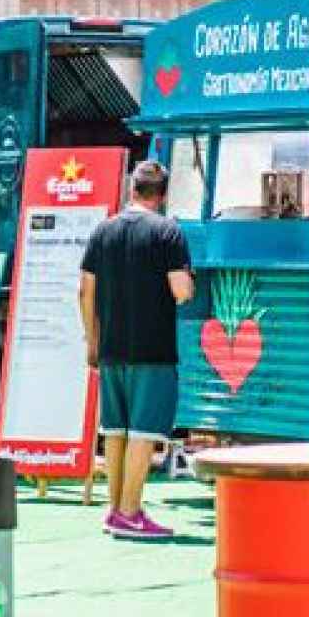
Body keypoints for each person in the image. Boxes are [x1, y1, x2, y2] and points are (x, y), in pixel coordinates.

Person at [80, 161, 194, 540]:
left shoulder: (103, 230)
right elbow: (181, 291)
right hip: (154, 349)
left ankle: (115, 509)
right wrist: (189, 281)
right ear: (161, 196)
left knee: (114, 430)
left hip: (110, 346)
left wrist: (91, 341)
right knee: (144, 432)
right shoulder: (168, 232)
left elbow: (85, 291)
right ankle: (130, 512)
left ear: (132, 190)